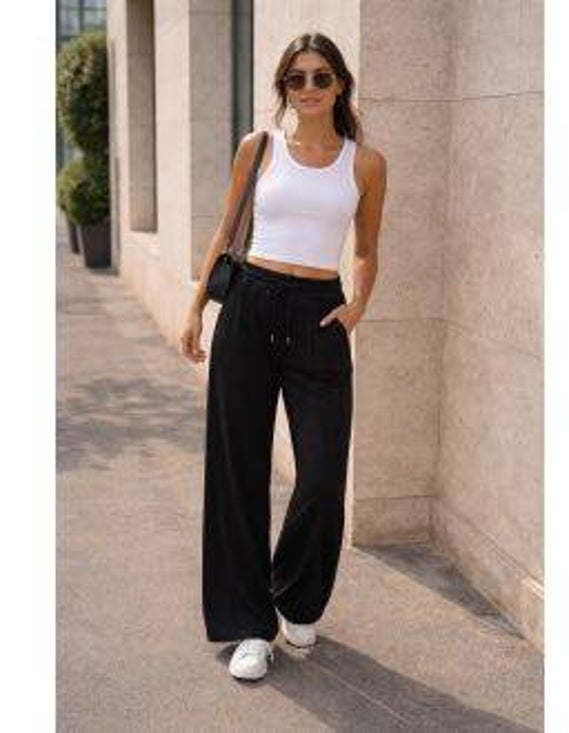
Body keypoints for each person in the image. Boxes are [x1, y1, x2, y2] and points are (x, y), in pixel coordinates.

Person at [180, 32, 387, 681]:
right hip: (251, 304)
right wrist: (195, 307)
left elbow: (366, 248)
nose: (309, 88)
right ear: (284, 87)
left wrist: (357, 305)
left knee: (322, 475)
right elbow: (225, 230)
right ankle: (249, 623)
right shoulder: (259, 147)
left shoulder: (365, 163)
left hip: (319, 314)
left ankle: (294, 595)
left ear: (340, 84)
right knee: (237, 468)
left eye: (321, 76)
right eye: (297, 78)